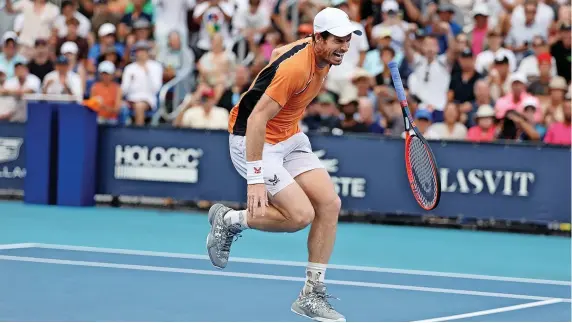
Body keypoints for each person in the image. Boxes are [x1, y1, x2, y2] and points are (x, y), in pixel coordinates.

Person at [205, 7, 362, 322]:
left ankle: (311, 294)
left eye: (347, 40)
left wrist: (270, 75)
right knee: (300, 216)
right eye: (338, 41)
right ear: (319, 38)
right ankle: (230, 219)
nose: (344, 48)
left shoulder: (314, 50)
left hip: (289, 136)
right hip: (254, 138)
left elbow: (277, 51)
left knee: (330, 204)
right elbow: (257, 118)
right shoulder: (295, 70)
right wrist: (256, 178)